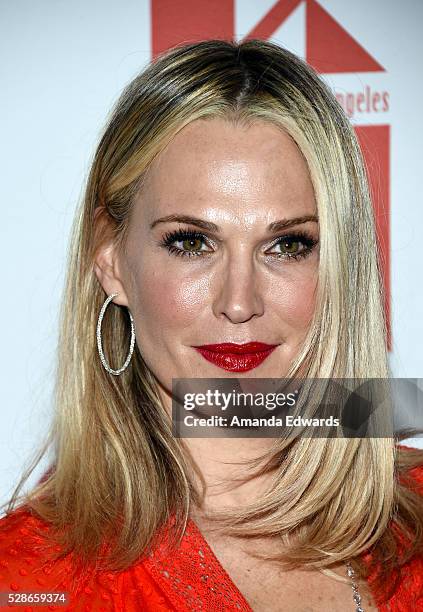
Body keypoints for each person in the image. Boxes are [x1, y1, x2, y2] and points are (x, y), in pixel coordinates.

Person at [1, 38, 422, 612]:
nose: (239, 301)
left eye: (288, 244)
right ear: (111, 261)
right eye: (192, 242)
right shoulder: (31, 578)